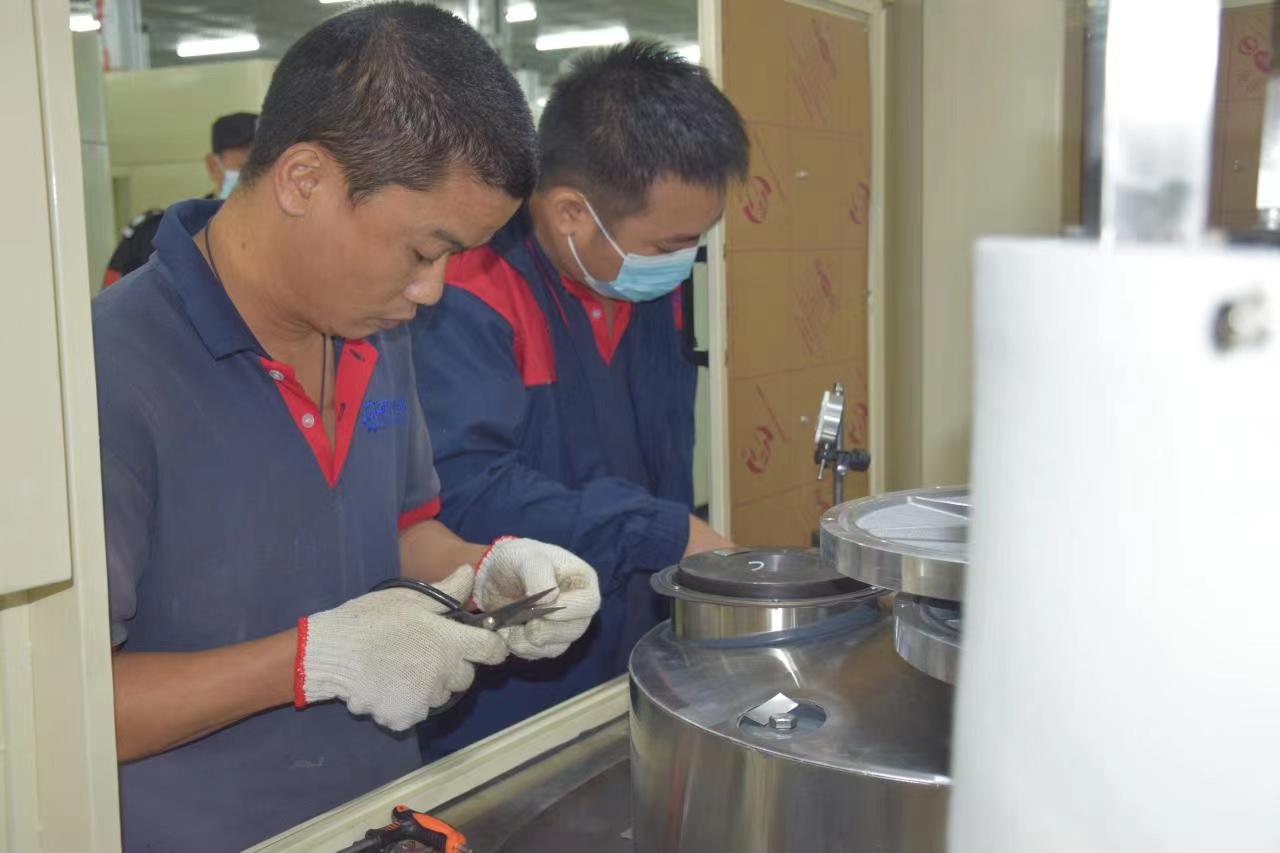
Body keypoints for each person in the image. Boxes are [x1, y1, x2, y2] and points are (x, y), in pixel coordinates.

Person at [93, 6, 601, 851]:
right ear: (304, 180)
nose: (432, 291)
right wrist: (308, 660)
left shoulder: (374, 329)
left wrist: (485, 573)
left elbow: (397, 531)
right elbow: (61, 707)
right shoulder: (103, 372)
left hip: (381, 814)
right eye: (424, 251)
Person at [409, 41, 749, 761]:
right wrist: (660, 532)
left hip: (637, 639)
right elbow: (465, 488)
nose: (681, 260)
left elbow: (661, 454)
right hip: (514, 668)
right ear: (571, 210)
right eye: (669, 242)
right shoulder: (470, 289)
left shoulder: (638, 281)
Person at [101, 112, 258, 287]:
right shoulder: (157, 237)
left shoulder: (277, 237)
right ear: (213, 165)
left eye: (267, 170)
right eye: (247, 168)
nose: (258, 179)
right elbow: (111, 297)